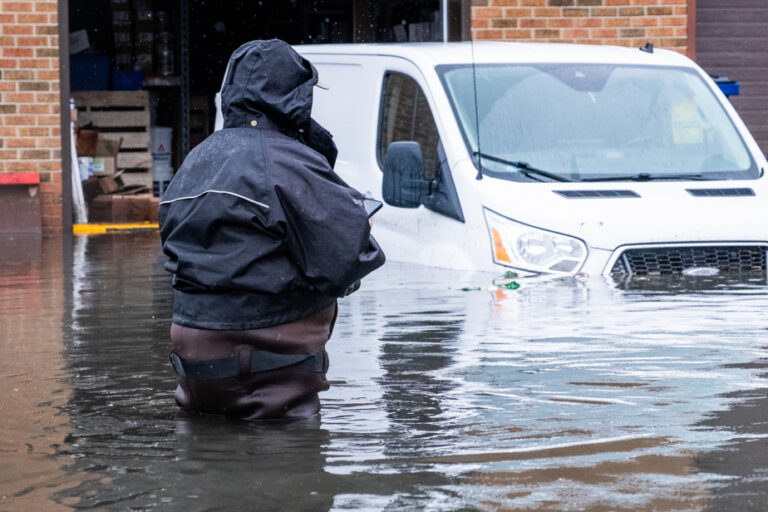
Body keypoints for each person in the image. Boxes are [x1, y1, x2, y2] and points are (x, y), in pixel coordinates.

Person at [158, 39, 385, 421]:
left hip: (192, 365)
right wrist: (360, 226)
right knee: (292, 469)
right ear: (294, 97)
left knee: (205, 462)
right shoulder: (287, 162)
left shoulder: (196, 160)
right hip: (267, 366)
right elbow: (350, 256)